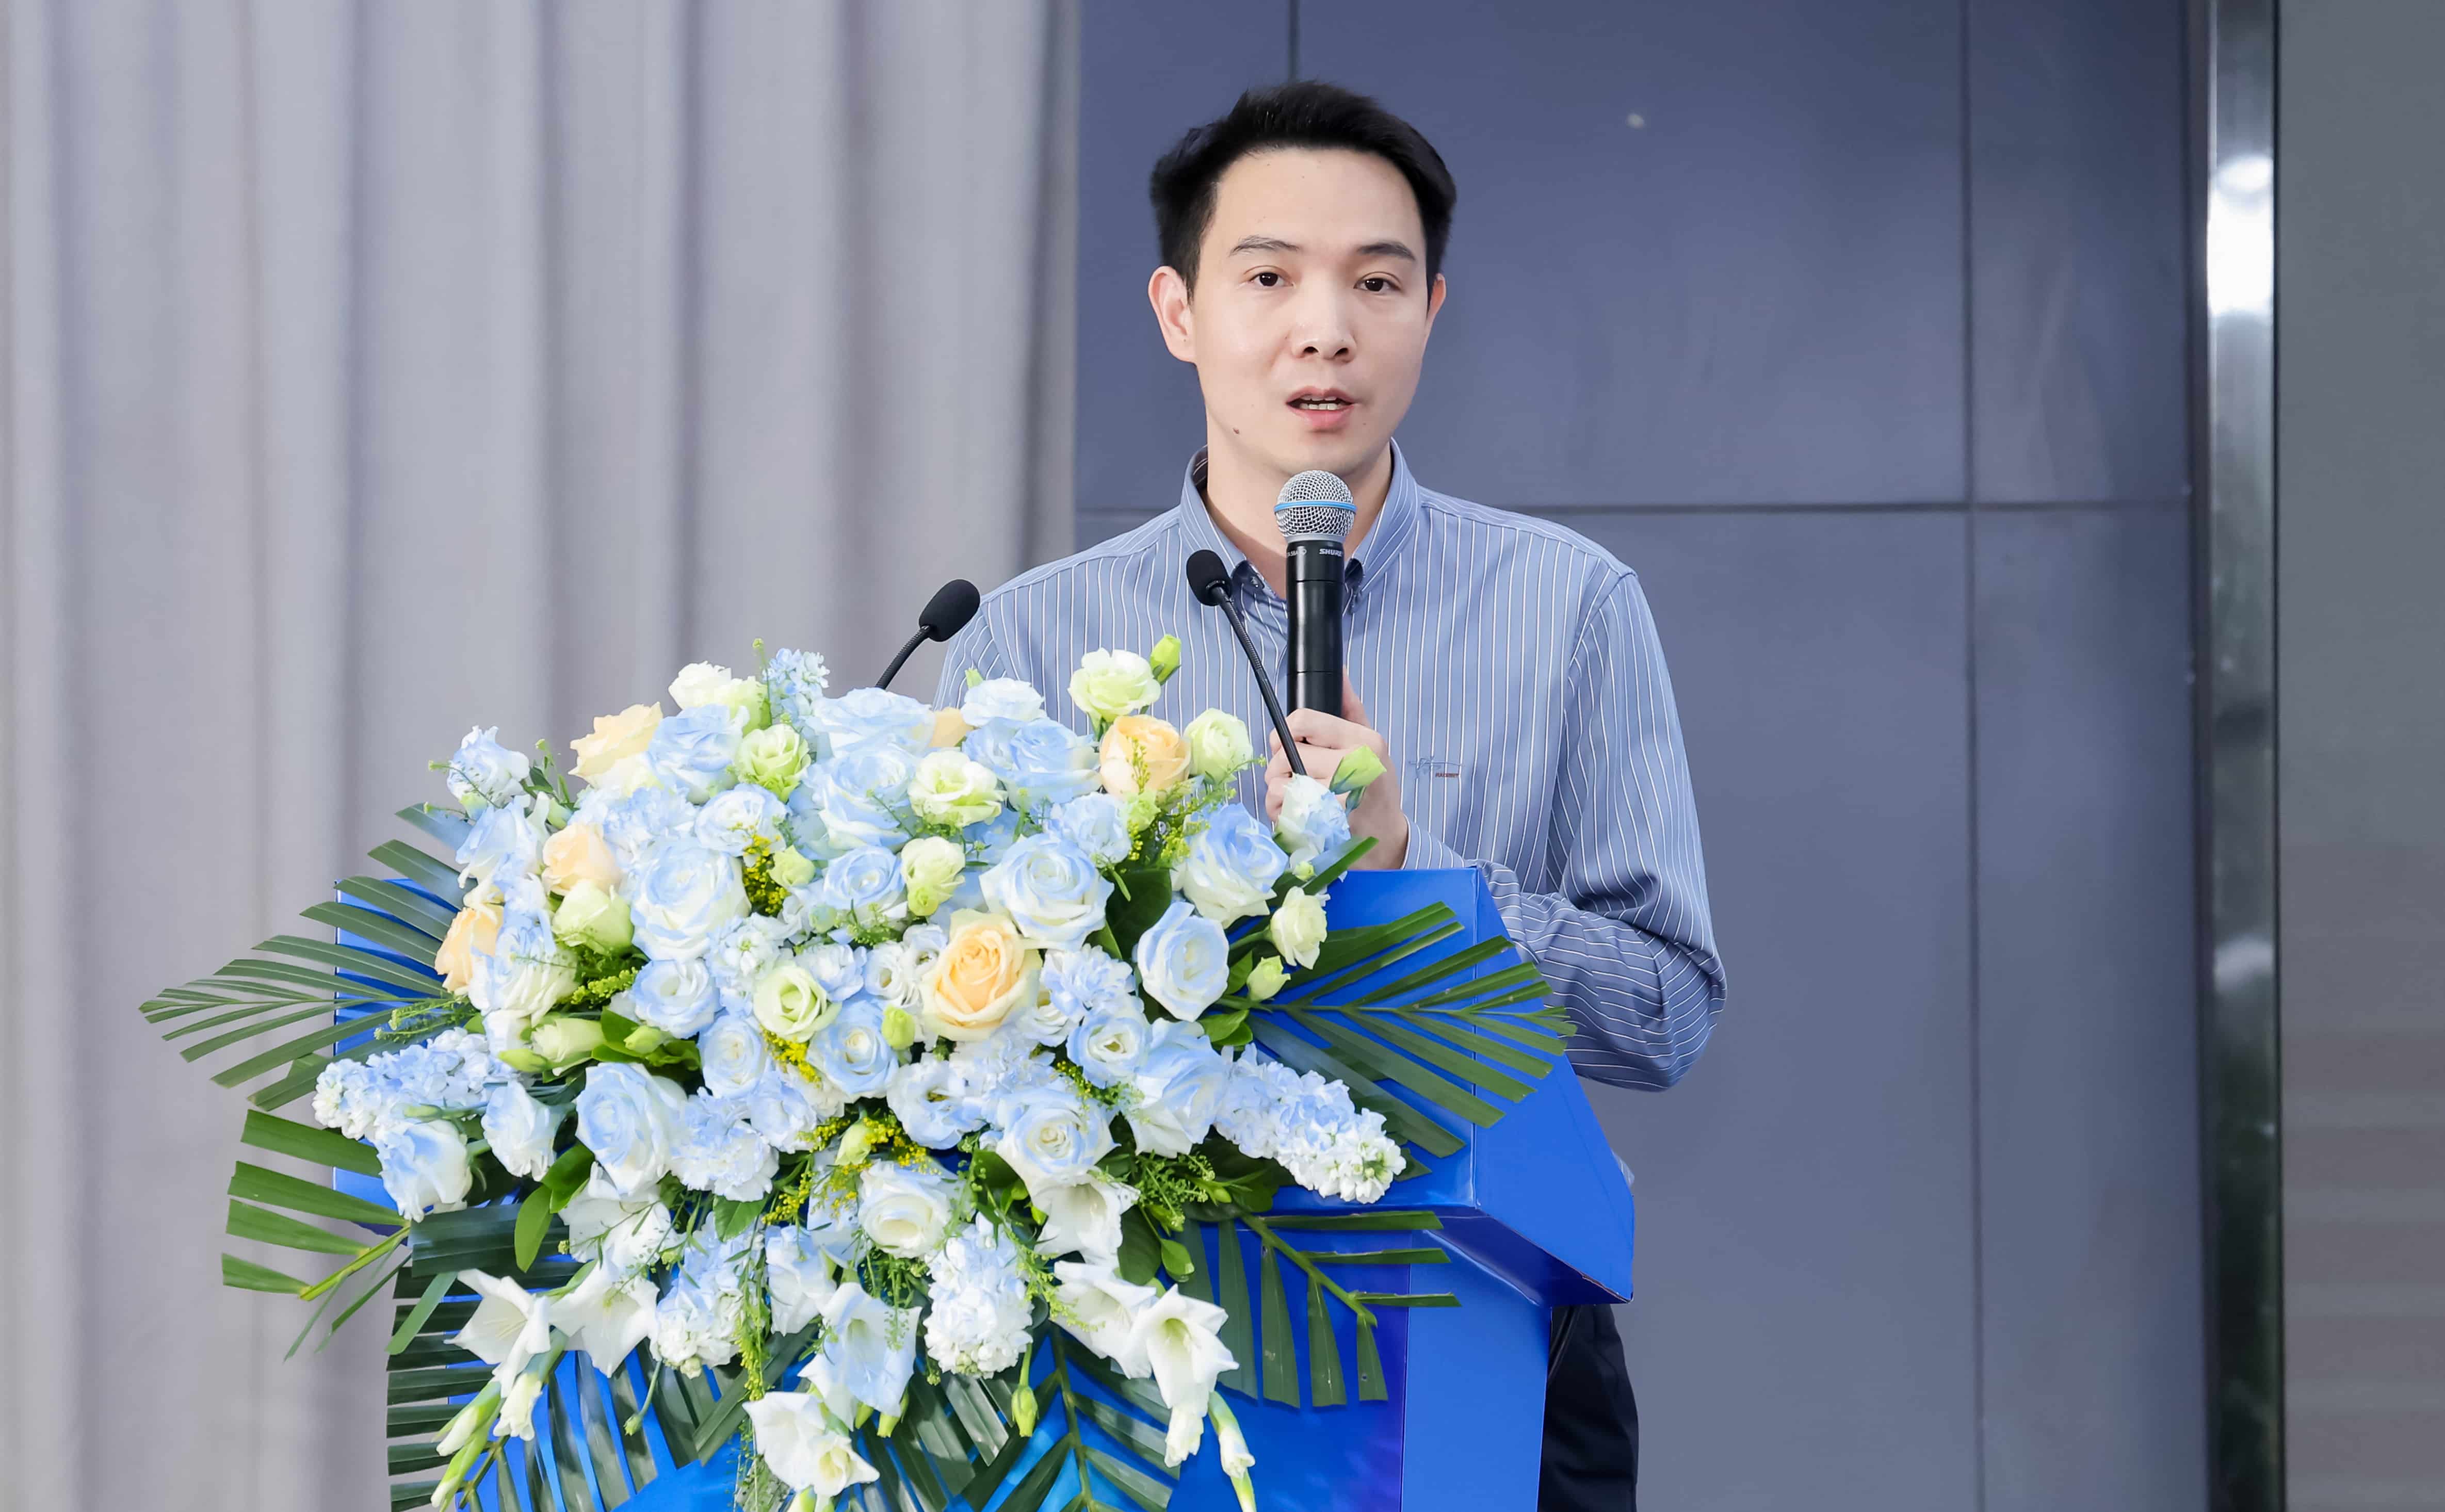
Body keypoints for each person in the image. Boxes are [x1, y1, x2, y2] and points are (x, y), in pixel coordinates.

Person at [936, 79, 1723, 1511]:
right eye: (1268, 278)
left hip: (1481, 1323)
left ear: (1430, 309)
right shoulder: (1024, 643)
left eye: (1375, 281)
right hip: (1118, 1346)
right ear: (1178, 311)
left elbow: (1662, 1015)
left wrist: (1420, 879)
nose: (1325, 328)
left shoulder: (1568, 608)